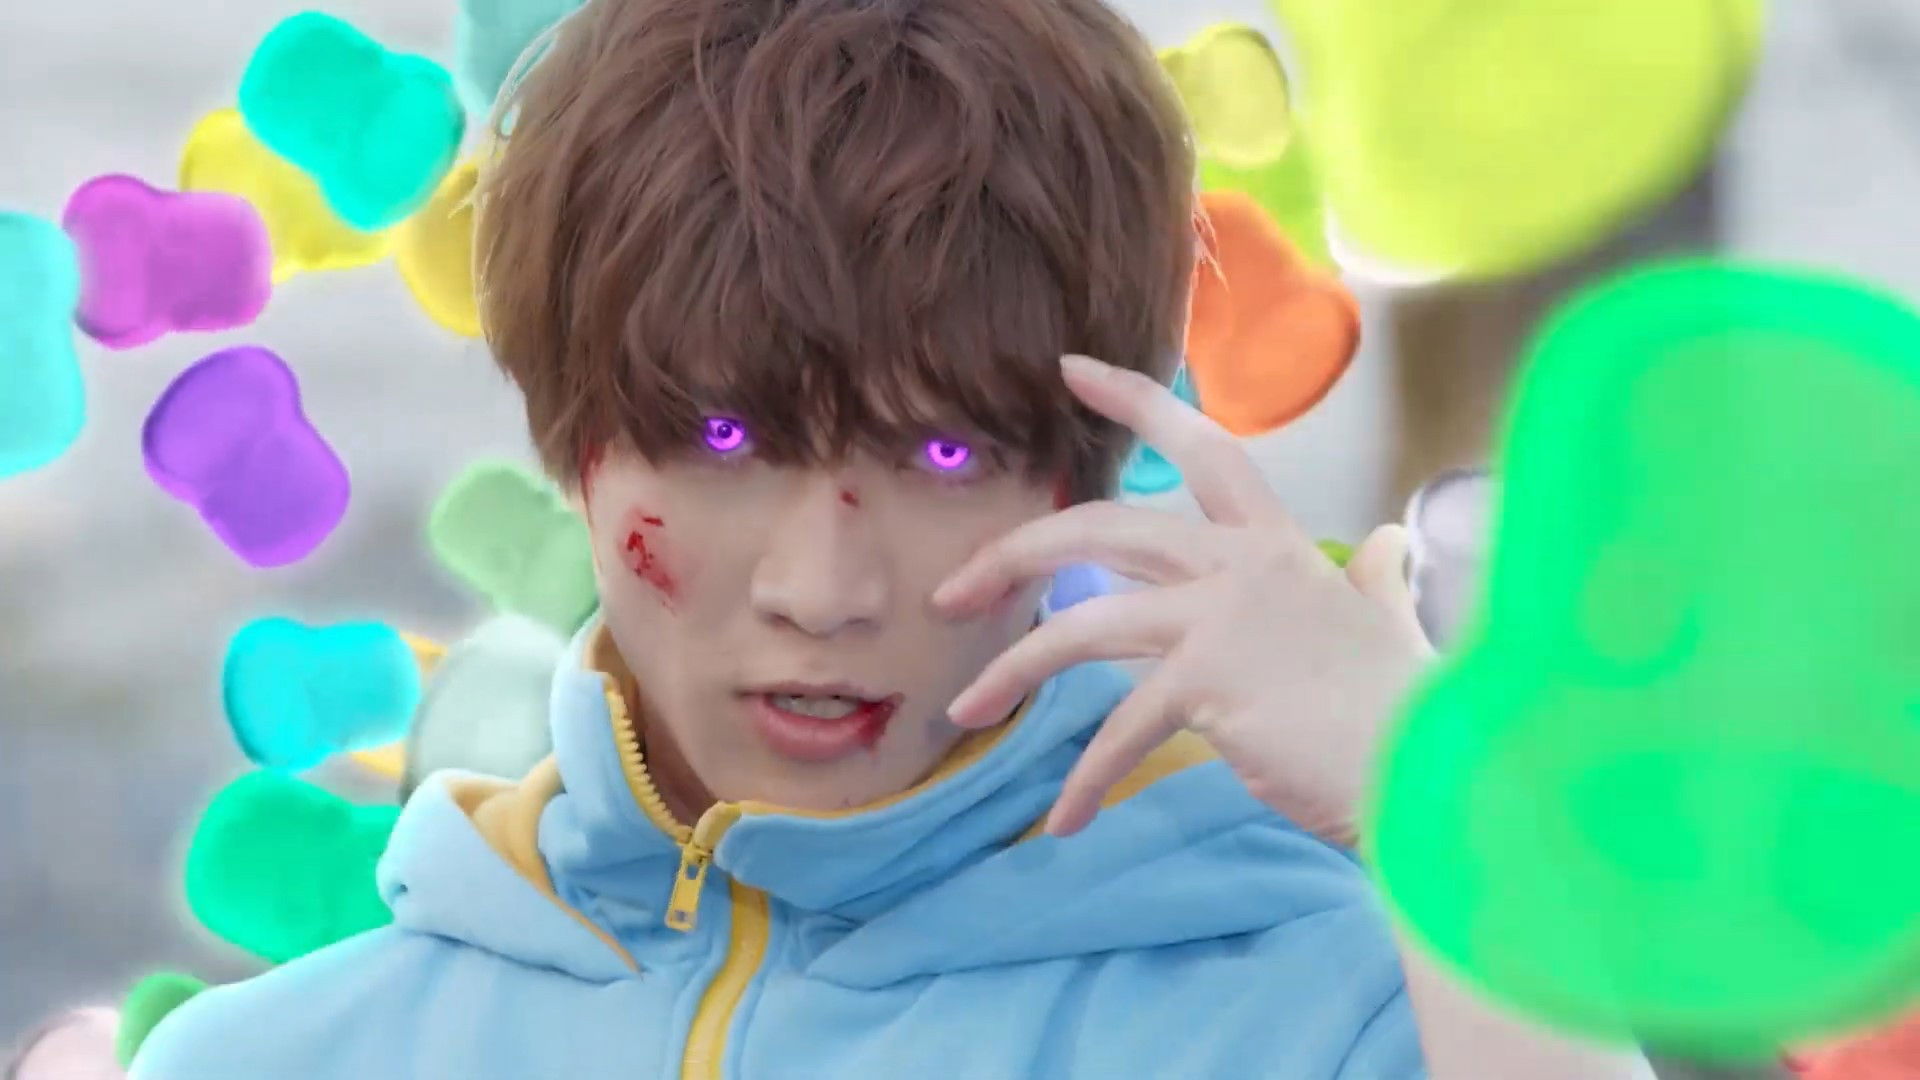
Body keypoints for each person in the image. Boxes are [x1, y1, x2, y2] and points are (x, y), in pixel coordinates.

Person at [134, 0, 1656, 1076]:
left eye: (945, 454)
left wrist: (1462, 837)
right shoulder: (274, 1062)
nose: (822, 590)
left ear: (1085, 473)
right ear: (576, 447)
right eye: (723, 442)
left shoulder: (1340, 1022)